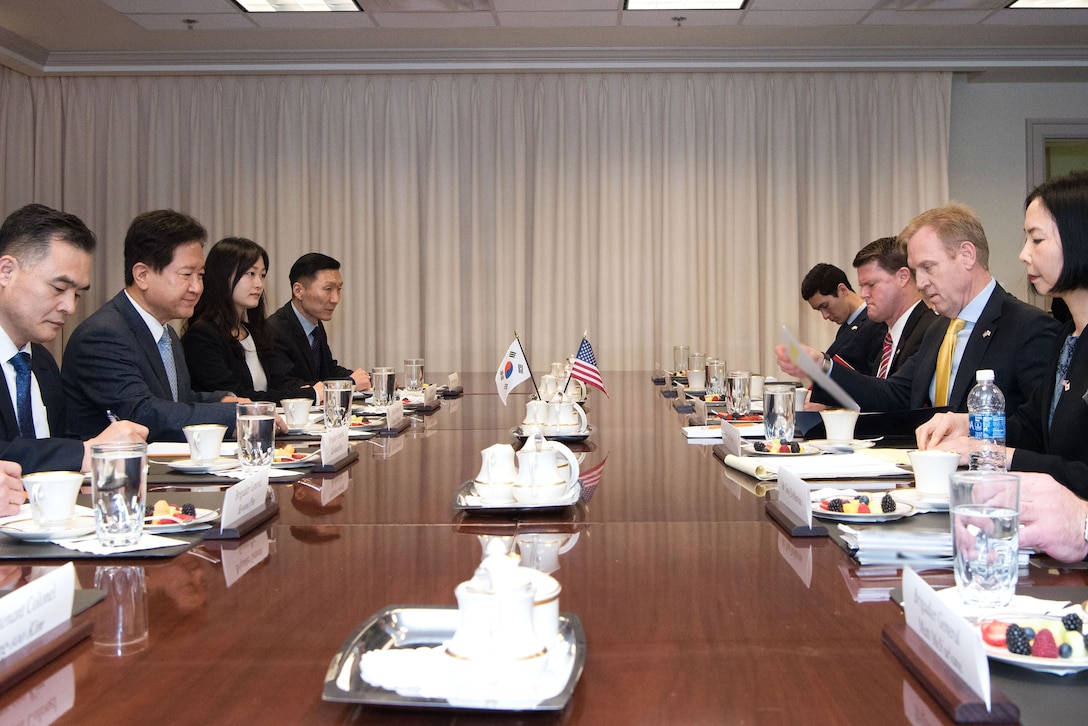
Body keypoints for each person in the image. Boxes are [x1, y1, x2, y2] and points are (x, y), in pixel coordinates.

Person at [776, 202, 1061, 414]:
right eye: (915, 270)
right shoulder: (939, 328)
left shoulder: (1028, 328)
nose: (920, 283)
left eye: (928, 268)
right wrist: (822, 367)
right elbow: (896, 395)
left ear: (966, 255)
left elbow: (1038, 430)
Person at [917, 172, 1088, 496]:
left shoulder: (1040, 328)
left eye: (1037, 240)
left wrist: (996, 455)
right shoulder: (1069, 337)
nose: (1024, 254)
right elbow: (1033, 429)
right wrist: (967, 425)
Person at [62, 210, 247, 442]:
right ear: (142, 275)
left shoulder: (165, 331)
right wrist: (238, 416)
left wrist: (220, 400)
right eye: (186, 274)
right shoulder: (103, 335)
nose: (197, 287)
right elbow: (144, 413)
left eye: (200, 275)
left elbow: (172, 401)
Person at [0, 204, 146, 473]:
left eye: (77, 294)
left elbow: (55, 444)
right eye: (59, 288)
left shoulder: (41, 362)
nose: (70, 307)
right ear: (6, 272)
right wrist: (84, 452)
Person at [182, 237, 318, 403]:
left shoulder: (254, 331)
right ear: (223, 276)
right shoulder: (202, 336)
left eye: (262, 275)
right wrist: (307, 395)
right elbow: (238, 397)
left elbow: (279, 382)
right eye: (250, 274)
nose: (259, 284)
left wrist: (310, 389)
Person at [266, 253, 370, 394]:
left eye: (339, 289)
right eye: (328, 289)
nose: (335, 299)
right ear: (298, 291)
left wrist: (369, 379)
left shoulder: (314, 324)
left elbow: (327, 370)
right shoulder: (274, 330)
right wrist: (350, 383)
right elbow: (288, 386)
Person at [852, 236, 939, 378]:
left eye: (871, 285)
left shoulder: (930, 332)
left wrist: (825, 366)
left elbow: (898, 396)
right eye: (862, 286)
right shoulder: (887, 340)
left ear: (903, 277)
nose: (863, 294)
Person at [800, 262, 886, 376]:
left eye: (825, 306)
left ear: (842, 290)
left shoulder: (875, 323)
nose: (825, 316)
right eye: (819, 310)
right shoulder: (846, 327)